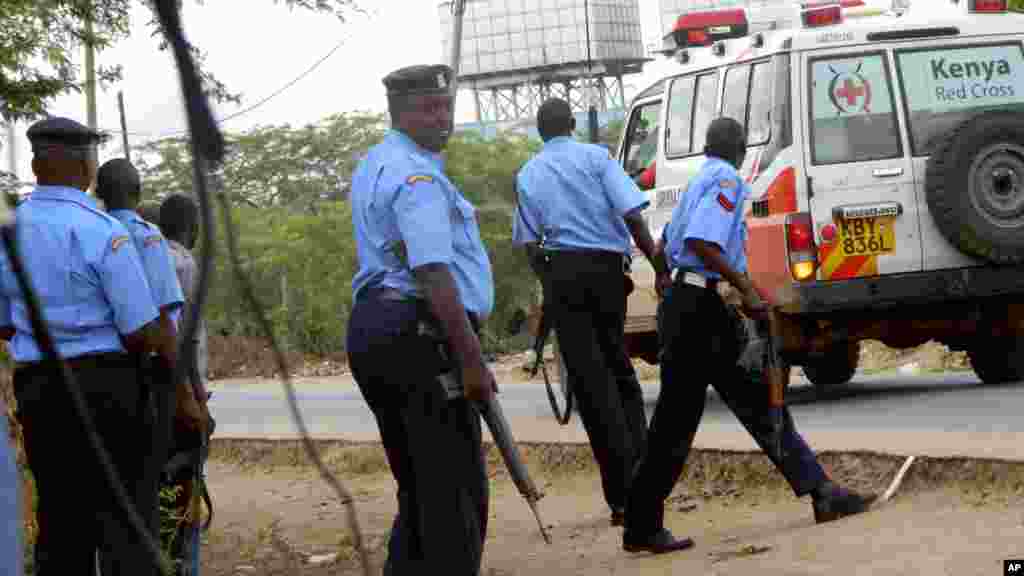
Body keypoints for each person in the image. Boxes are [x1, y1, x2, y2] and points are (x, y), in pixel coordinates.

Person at [623, 117, 876, 555]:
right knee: (689, 418)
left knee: (743, 405)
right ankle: (643, 524)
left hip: (690, 308)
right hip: (700, 312)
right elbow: (705, 242)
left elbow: (665, 245)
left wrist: (668, 280)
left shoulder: (698, 179)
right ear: (741, 149)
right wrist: (747, 292)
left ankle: (821, 492)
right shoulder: (726, 179)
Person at [0, 116, 174, 575]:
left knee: (60, 520)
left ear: (37, 165)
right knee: (126, 517)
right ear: (85, 166)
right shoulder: (101, 230)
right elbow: (139, 330)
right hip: (106, 386)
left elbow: (3, 325)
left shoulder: (8, 232)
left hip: (38, 387)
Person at [347, 63, 496, 575]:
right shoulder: (415, 177)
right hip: (417, 335)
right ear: (402, 113)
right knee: (456, 498)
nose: (443, 118)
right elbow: (433, 271)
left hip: (381, 329)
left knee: (421, 492)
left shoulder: (376, 162)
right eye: (429, 109)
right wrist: (472, 361)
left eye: (447, 106)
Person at [513, 97, 671, 527]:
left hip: (563, 275)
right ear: (572, 124)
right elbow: (634, 220)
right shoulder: (597, 159)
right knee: (620, 372)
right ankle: (645, 487)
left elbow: (529, 243)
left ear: (541, 133)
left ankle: (621, 500)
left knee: (591, 386)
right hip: (606, 274)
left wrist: (551, 286)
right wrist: (659, 269)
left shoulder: (528, 173)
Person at [95, 159, 199, 558]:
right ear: (137, 194)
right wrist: (190, 396)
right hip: (150, 376)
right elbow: (168, 325)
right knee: (153, 488)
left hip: (87, 374)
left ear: (99, 191)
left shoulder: (91, 229)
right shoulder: (145, 236)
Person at [160, 192, 214, 569]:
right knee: (186, 483)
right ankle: (185, 563)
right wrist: (197, 398)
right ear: (190, 227)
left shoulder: (149, 253)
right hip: (181, 391)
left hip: (151, 387)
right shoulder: (183, 262)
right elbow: (186, 337)